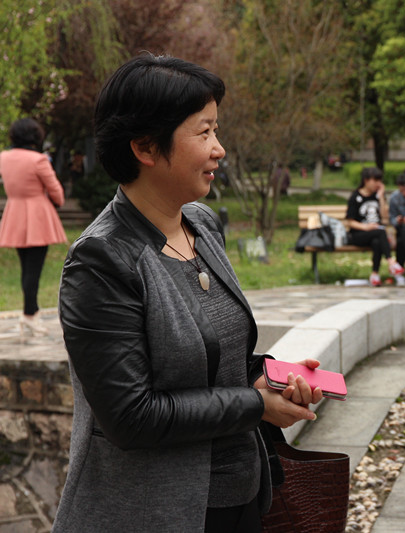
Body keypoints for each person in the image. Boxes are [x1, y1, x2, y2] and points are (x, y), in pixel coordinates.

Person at [53, 54, 324, 533]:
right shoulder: (102, 260)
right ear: (145, 147)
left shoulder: (201, 224)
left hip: (242, 498)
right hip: (154, 513)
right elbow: (131, 416)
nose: (219, 149)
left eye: (216, 129)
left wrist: (273, 378)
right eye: (203, 133)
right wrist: (256, 404)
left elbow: (215, 359)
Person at [0, 118, 67, 336]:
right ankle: (30, 315)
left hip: (15, 212)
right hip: (37, 214)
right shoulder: (38, 160)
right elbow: (55, 190)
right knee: (34, 269)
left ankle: (31, 312)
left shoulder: (4, 157)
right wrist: (57, 201)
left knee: (25, 267)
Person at [346, 166, 404, 286]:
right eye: (375, 180)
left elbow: (384, 217)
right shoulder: (355, 197)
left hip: (376, 234)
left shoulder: (377, 196)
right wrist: (366, 227)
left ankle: (374, 274)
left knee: (377, 241)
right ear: (366, 180)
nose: (378, 183)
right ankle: (391, 262)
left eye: (380, 181)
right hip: (358, 234)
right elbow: (350, 222)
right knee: (380, 232)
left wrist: (381, 196)